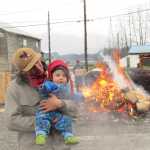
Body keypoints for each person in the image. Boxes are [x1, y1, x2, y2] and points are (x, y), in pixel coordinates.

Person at [5, 48, 78, 150]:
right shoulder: (15, 88)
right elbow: (11, 121)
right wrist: (44, 121)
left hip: (61, 146)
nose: (38, 67)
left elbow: (77, 109)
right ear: (23, 71)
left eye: (37, 61)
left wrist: (60, 104)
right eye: (32, 66)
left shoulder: (56, 77)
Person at [35, 59, 81, 145]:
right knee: (41, 119)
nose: (61, 78)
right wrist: (44, 88)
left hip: (59, 114)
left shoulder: (67, 88)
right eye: (58, 75)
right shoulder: (51, 84)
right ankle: (41, 134)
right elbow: (45, 87)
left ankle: (68, 136)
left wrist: (81, 96)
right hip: (46, 111)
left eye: (64, 76)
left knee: (66, 121)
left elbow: (73, 98)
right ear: (51, 77)